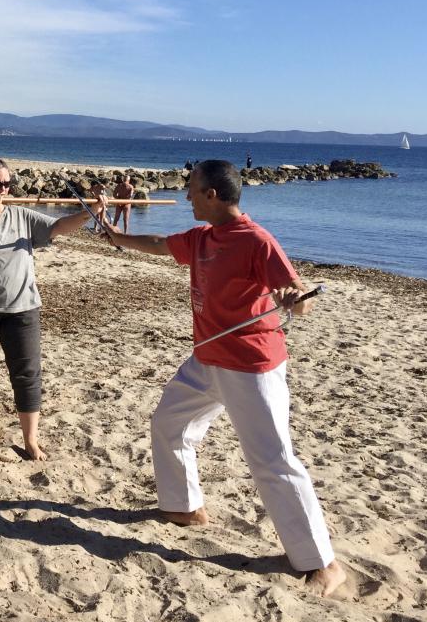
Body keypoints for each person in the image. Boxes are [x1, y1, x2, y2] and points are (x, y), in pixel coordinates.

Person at [101, 160, 346, 597]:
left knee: (272, 459)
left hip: (251, 363)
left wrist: (294, 299)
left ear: (212, 195)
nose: (186, 195)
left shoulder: (256, 241)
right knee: (169, 425)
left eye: (192, 190)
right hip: (209, 357)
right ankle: (184, 508)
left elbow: (299, 297)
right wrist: (119, 239)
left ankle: (323, 563)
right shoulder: (202, 237)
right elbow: (159, 242)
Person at [0, 156, 92, 461]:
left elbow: (57, 227)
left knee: (27, 372)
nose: (4, 189)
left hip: (23, 306)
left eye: (8, 184)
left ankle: (31, 440)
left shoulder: (22, 215)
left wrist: (87, 213)